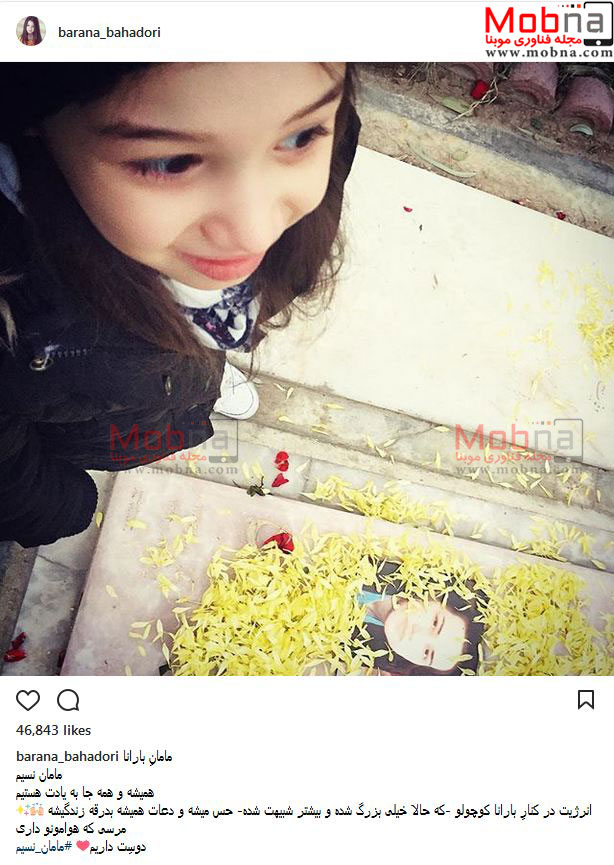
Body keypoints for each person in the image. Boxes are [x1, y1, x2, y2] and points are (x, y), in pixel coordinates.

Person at [0, 63, 361, 548]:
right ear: (31, 124)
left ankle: (196, 361)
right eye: (171, 163)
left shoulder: (315, 140)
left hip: (170, 392)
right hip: (98, 428)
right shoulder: (17, 317)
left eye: (299, 137)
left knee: (192, 367)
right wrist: (61, 506)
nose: (256, 234)